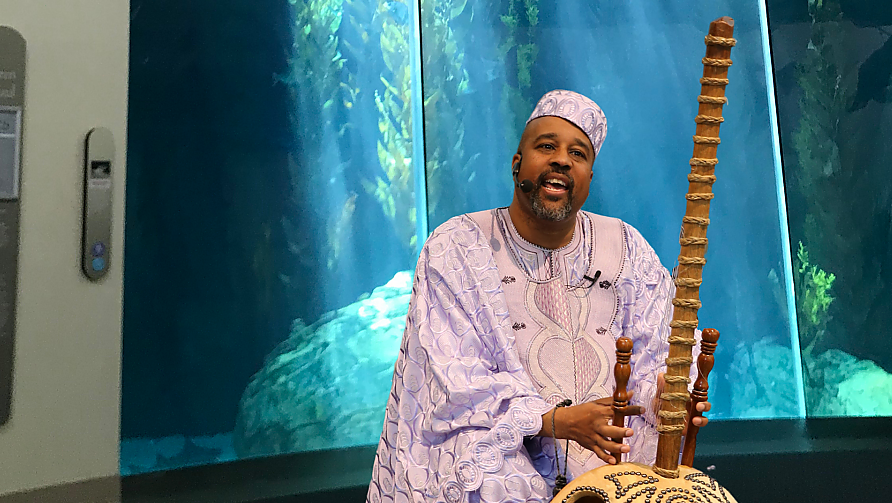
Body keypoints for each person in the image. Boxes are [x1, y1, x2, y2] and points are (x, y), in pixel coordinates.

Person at [366, 90, 710, 503]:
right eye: (547, 146)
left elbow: (659, 354)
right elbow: (456, 383)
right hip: (509, 467)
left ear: (589, 179)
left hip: (614, 468)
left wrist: (667, 395)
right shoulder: (458, 246)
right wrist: (556, 421)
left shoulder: (625, 247)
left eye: (578, 154)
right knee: (478, 462)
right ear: (517, 164)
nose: (562, 160)